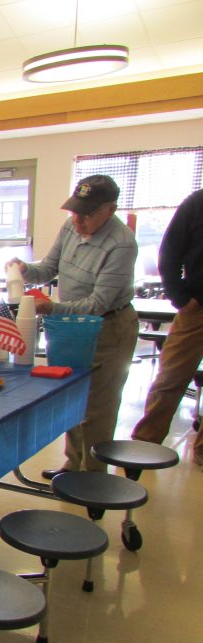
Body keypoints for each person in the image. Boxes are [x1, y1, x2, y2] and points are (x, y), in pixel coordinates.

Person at [8, 174, 139, 476]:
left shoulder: (121, 244)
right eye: (74, 211)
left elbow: (98, 304)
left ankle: (93, 476)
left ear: (110, 210)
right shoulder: (71, 226)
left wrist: (52, 308)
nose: (77, 221)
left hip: (108, 326)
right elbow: (48, 268)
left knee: (97, 407)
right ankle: (73, 463)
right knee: (71, 394)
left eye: (87, 214)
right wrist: (26, 270)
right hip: (71, 326)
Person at [131, 188, 203, 467]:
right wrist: (180, 298)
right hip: (196, 308)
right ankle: (145, 444)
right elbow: (170, 252)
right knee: (170, 378)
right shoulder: (197, 203)